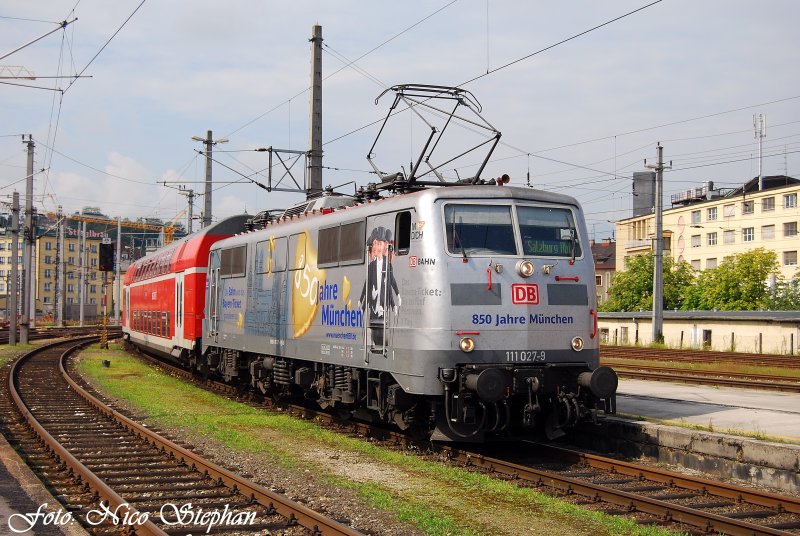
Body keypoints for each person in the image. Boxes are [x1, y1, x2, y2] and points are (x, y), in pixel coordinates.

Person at [359, 226, 400, 346]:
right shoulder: (371, 266)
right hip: (373, 307)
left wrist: (395, 302)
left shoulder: (387, 265)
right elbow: (366, 286)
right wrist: (361, 303)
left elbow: (390, 287)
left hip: (382, 308)